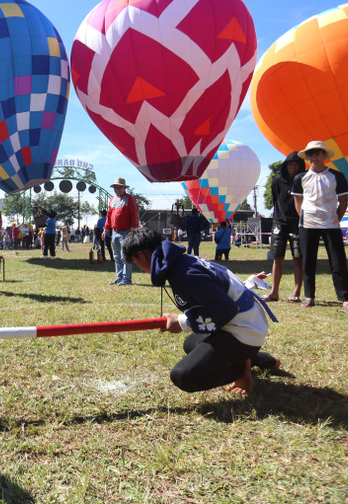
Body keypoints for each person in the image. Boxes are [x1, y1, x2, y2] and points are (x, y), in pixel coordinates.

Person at [122, 227, 279, 396]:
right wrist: (181, 320)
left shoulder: (184, 273)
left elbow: (225, 309)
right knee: (191, 344)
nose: (140, 267)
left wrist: (183, 322)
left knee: (183, 376)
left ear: (141, 255)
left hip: (245, 330)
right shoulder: (183, 262)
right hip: (246, 323)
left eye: (135, 262)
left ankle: (240, 370)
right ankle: (266, 361)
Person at [291, 141, 348, 314]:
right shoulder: (300, 178)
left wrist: (336, 218)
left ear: (324, 156)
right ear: (307, 158)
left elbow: (343, 201)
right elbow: (297, 200)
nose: (313, 157)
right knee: (308, 262)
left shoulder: (336, 176)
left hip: (331, 224)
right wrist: (304, 218)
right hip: (307, 224)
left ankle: (345, 299)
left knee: (338, 262)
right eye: (310, 155)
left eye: (317, 154)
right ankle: (309, 296)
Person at [266, 152, 304, 303]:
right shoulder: (277, 182)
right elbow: (276, 201)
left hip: (298, 224)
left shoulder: (304, 180)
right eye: (290, 164)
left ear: (301, 166)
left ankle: (296, 292)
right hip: (279, 223)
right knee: (277, 258)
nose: (293, 166)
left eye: (296, 164)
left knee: (298, 259)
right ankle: (274, 292)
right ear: (285, 166)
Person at [102, 177, 139, 286]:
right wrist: (106, 229)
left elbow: (134, 214)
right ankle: (119, 276)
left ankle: (127, 278)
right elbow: (109, 216)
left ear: (124, 188)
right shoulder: (113, 199)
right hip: (115, 232)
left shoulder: (129, 199)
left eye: (119, 187)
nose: (116, 189)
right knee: (117, 256)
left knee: (125, 255)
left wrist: (132, 229)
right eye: (115, 187)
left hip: (126, 231)